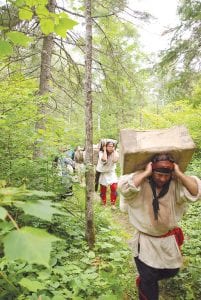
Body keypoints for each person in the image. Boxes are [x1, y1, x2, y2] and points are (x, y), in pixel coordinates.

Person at [118, 153, 201, 300]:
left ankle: (146, 278)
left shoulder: (175, 183)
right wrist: (146, 172)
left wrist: (178, 173)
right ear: (151, 170)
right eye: (158, 174)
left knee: (172, 270)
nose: (162, 179)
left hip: (167, 239)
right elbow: (124, 188)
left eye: (166, 175)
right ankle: (145, 282)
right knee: (148, 280)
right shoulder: (141, 180)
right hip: (145, 241)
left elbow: (195, 191)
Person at [96, 140, 119, 209]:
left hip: (111, 172)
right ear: (105, 147)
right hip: (103, 173)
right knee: (103, 189)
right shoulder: (101, 153)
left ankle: (113, 204)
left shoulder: (115, 152)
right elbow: (104, 159)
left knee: (114, 187)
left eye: (112, 146)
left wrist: (114, 150)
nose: (111, 148)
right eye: (109, 146)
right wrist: (105, 150)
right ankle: (103, 203)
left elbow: (115, 160)